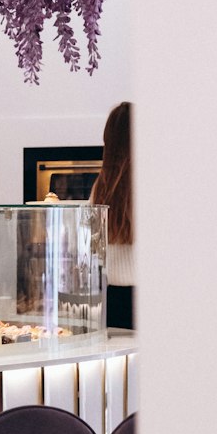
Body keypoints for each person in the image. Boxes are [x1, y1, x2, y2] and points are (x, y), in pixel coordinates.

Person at [91, 101, 135, 329]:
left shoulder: (101, 186)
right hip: (147, 295)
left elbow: (92, 247)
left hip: (110, 297)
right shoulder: (152, 182)